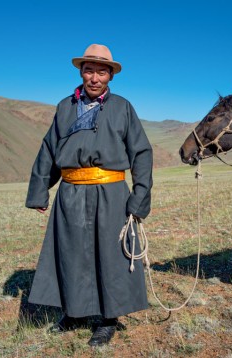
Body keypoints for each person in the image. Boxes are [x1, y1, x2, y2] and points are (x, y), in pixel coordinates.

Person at [25, 44, 153, 346]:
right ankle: (74, 312)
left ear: (110, 75)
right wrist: (40, 190)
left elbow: (142, 153)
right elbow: (48, 150)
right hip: (69, 193)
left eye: (101, 71)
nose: (94, 77)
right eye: (89, 70)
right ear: (81, 71)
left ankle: (108, 319)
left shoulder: (123, 107)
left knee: (110, 255)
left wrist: (139, 197)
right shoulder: (65, 106)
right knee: (71, 253)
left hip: (110, 193)